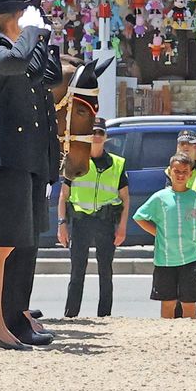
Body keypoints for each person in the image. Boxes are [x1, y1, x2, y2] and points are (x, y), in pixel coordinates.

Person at [0, 0, 61, 350]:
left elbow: (39, 72)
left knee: (9, 246)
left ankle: (1, 326)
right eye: (23, 12)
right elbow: (18, 60)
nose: (27, 18)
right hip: (2, 161)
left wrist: (41, 38)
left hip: (20, 160)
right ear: (10, 16)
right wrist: (32, 32)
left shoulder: (12, 46)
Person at [134, 152, 196, 320]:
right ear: (170, 172)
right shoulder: (160, 198)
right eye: (177, 171)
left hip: (190, 258)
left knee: (189, 302)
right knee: (168, 301)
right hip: (165, 259)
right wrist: (157, 232)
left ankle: (189, 334)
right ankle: (167, 333)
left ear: (190, 174)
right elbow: (139, 217)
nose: (181, 175)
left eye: (185, 171)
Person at [57, 117, 128, 318]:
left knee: (106, 271)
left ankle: (105, 314)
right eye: (93, 132)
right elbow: (64, 195)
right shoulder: (77, 160)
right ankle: (71, 314)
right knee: (77, 270)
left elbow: (125, 197)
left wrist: (122, 226)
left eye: (100, 133)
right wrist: (61, 224)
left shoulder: (117, 163)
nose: (96, 136)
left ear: (106, 137)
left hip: (106, 221)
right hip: (80, 222)